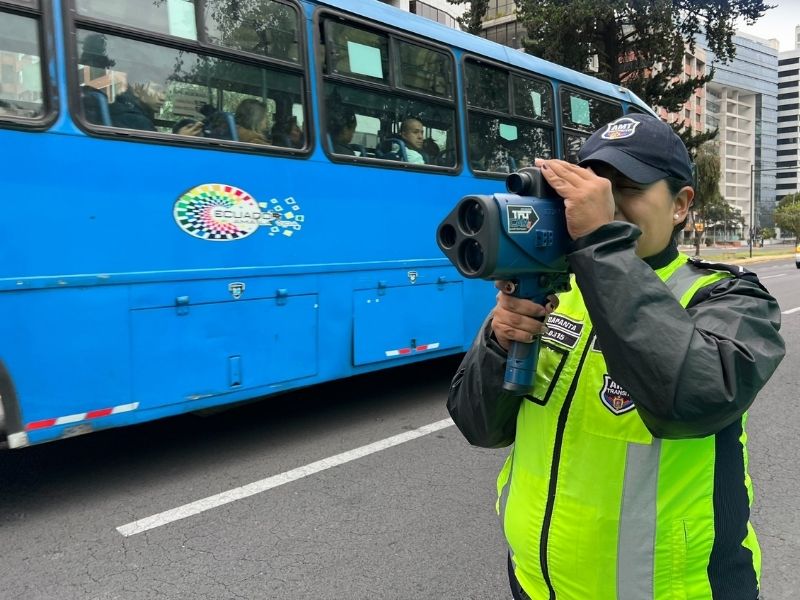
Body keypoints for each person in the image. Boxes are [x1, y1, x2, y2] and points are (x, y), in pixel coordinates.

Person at [447, 113, 785, 600]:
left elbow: (696, 398)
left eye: (625, 188)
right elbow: (479, 427)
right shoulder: (557, 290)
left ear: (681, 205)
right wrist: (500, 343)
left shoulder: (729, 298)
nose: (602, 203)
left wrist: (600, 243)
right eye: (594, 186)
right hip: (536, 586)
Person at [110, 79, 200, 136]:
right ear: (137, 90)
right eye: (157, 89)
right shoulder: (136, 119)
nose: (163, 98)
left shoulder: (122, 110)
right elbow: (158, 157)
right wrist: (181, 138)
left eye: (164, 92)